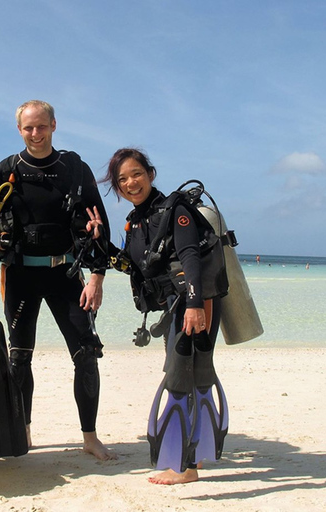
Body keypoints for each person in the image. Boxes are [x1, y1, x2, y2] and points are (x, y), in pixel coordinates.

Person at [0, 100, 116, 461]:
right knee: (19, 358)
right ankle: (24, 433)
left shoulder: (73, 168)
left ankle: (90, 437)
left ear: (54, 125)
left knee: (86, 354)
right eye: (28, 128)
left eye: (41, 127)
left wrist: (96, 277)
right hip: (20, 275)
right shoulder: (3, 170)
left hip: (66, 274)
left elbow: (101, 224)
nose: (35, 134)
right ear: (19, 130)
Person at [91, 147, 228, 484]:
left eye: (136, 174)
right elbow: (133, 266)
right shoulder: (137, 221)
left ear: (150, 175)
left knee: (184, 379)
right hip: (174, 306)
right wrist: (99, 242)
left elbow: (191, 255)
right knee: (186, 377)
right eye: (122, 179)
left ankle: (186, 468)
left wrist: (195, 305)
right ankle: (190, 460)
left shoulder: (174, 209)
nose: (130, 182)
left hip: (194, 303)